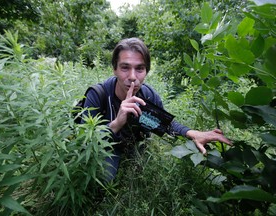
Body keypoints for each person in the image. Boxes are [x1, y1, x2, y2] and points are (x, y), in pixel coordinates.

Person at [83, 37, 231, 182]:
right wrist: (117, 123)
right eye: (125, 68)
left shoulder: (148, 96)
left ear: (146, 71)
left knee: (143, 176)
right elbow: (85, 141)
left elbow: (165, 125)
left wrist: (193, 134)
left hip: (134, 145)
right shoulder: (98, 95)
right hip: (105, 147)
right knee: (105, 179)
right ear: (114, 69)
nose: (133, 77)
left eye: (139, 68)